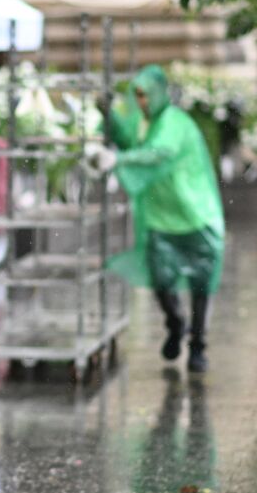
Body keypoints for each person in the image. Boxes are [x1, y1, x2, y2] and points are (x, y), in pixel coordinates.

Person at [91, 64, 225, 373]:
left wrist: (119, 159)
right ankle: (176, 323)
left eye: (145, 95)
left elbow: (159, 152)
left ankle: (198, 345)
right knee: (161, 280)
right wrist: (108, 114)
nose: (140, 102)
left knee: (201, 282)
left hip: (195, 216)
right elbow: (128, 139)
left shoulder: (174, 122)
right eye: (136, 95)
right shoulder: (144, 123)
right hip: (159, 218)